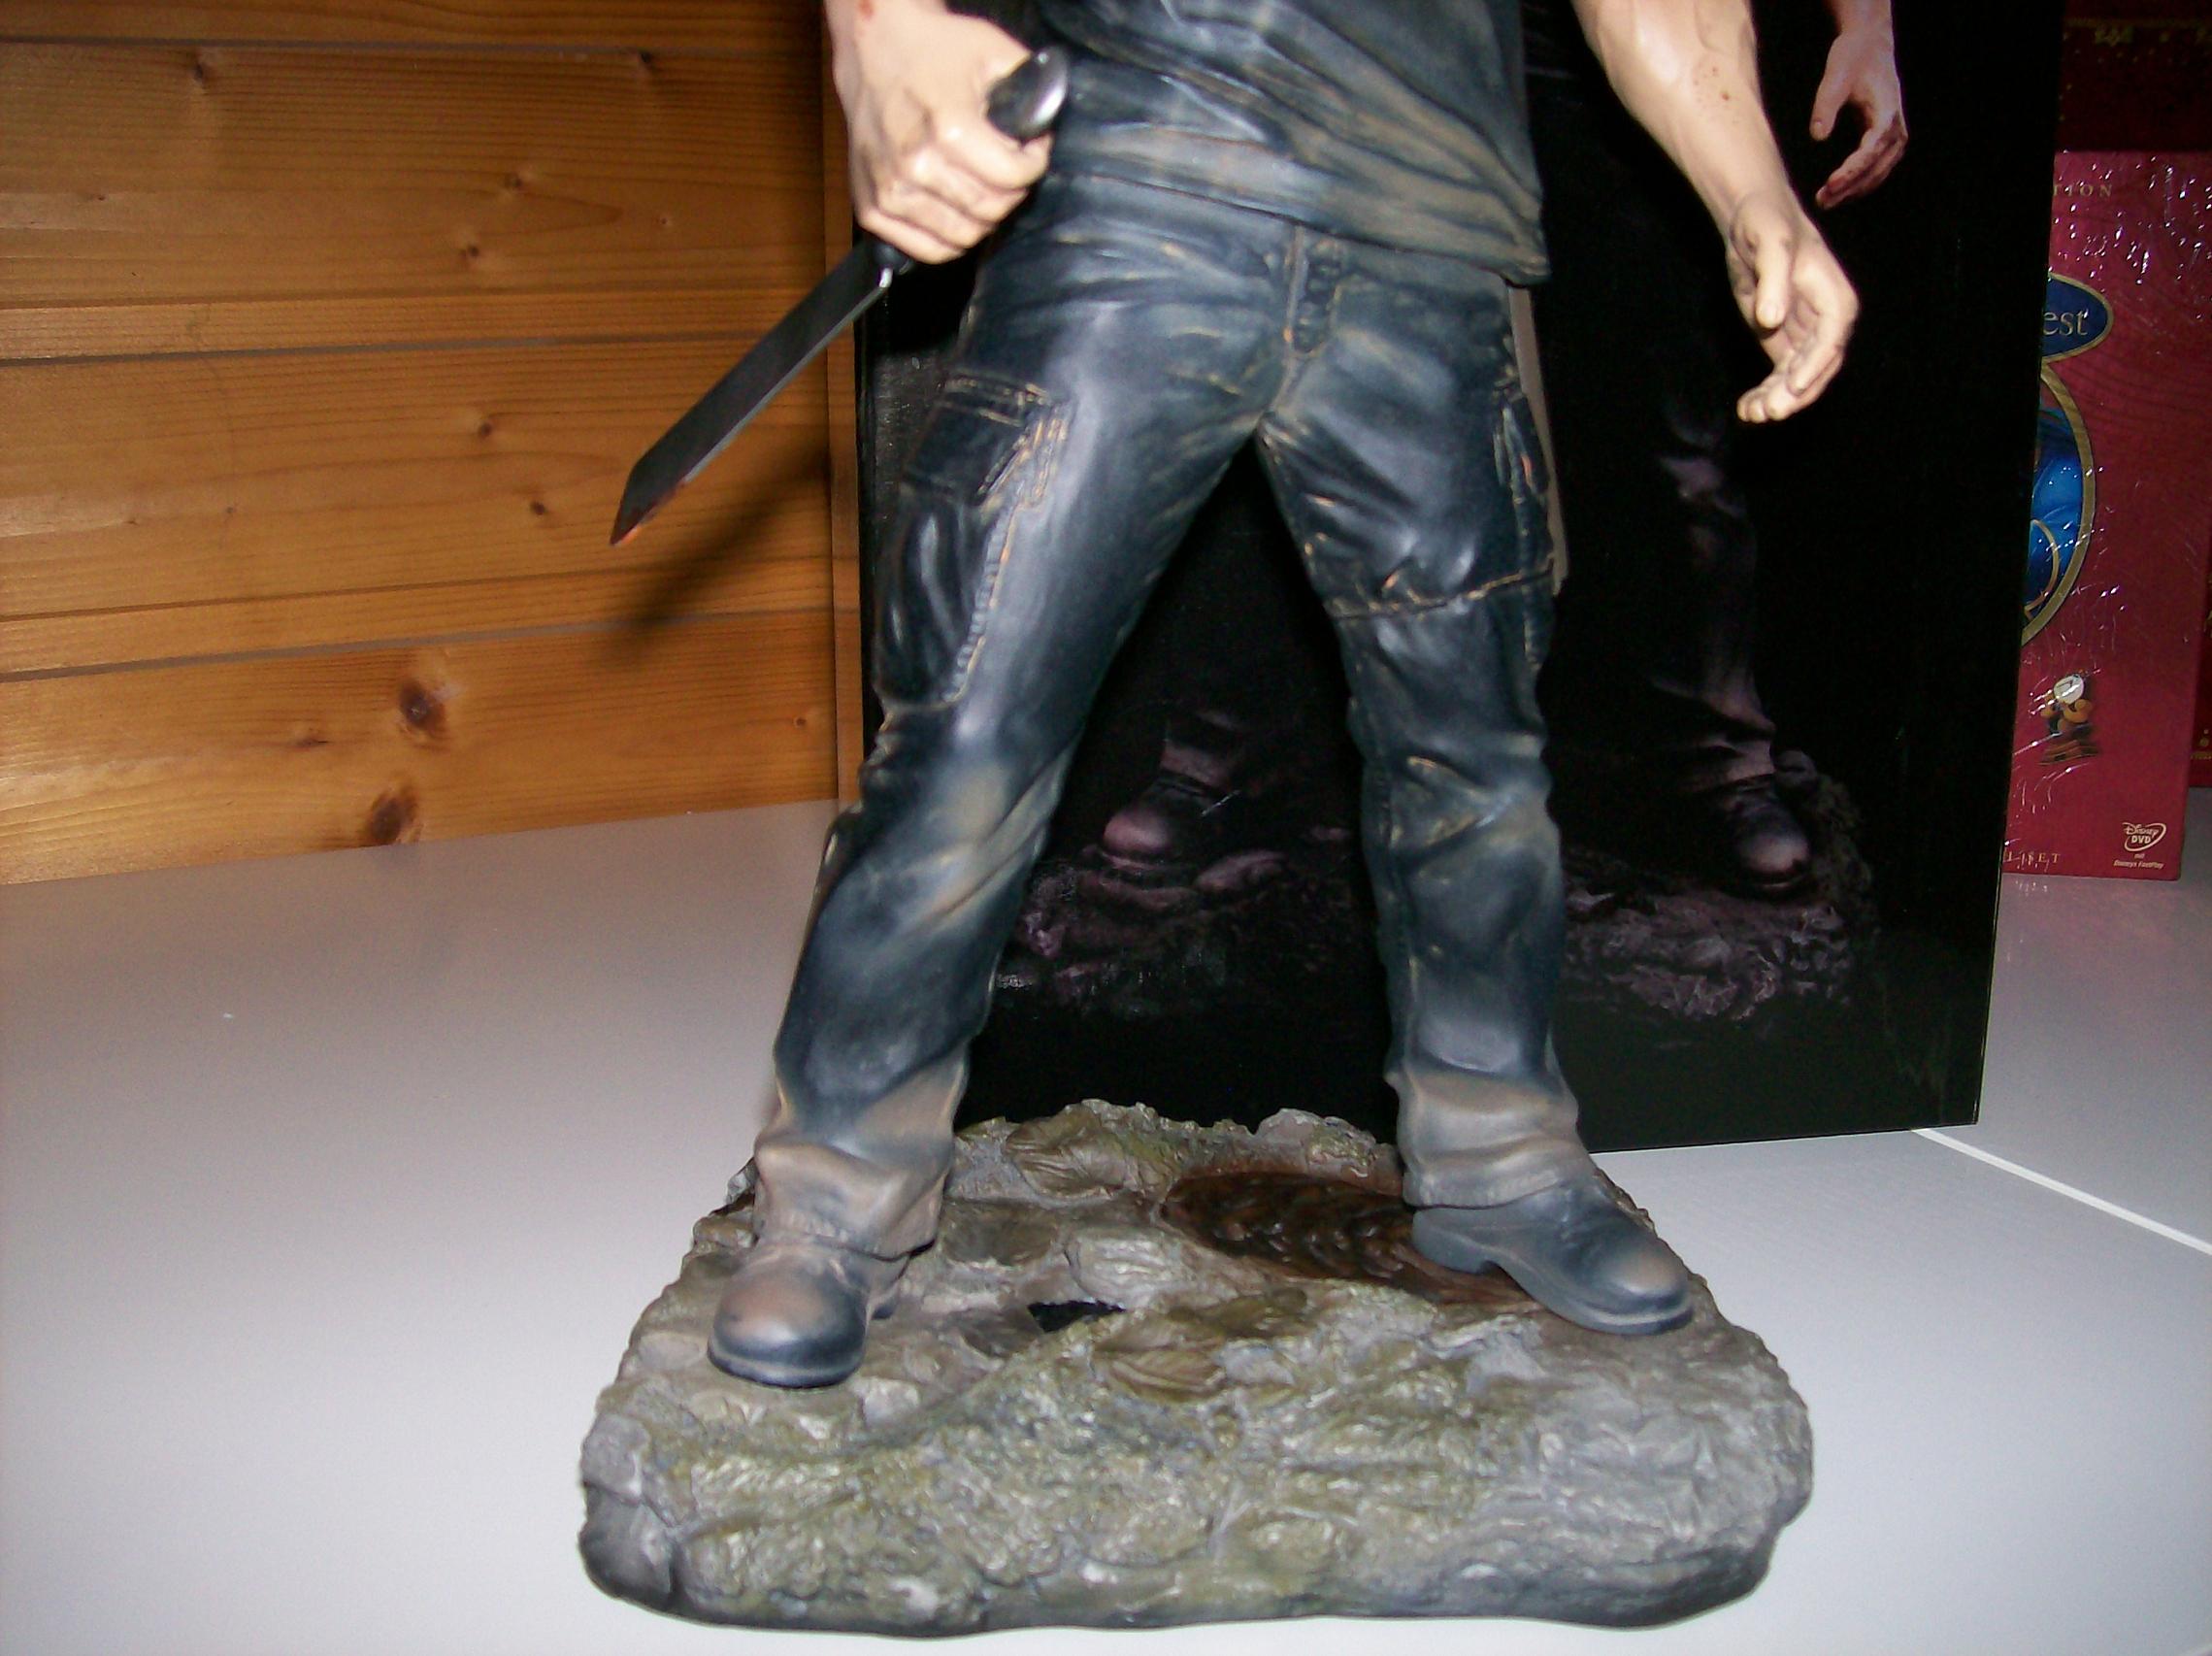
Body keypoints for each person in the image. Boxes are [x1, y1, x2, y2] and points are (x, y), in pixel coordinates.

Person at [712, 0, 1857, 1388]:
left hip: (1432, 227)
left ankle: (1500, 1151)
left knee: (1475, 760)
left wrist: (1751, 190)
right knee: (971, 735)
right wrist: (883, 32)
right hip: (1135, 196)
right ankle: (838, 1193)